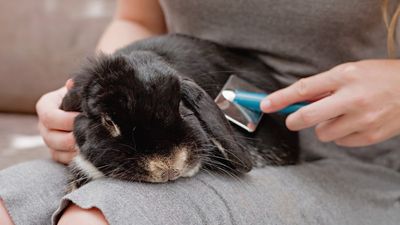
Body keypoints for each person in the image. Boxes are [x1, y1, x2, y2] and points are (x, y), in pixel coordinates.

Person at [1, 0, 400, 224]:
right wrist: (91, 90)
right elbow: (137, 21)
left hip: (361, 159)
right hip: (192, 133)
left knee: (95, 218)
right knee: (9, 203)